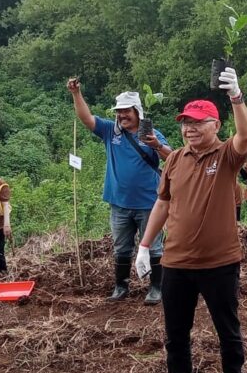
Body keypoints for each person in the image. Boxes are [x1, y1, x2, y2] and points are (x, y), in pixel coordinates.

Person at [138, 67, 247, 373]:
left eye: (198, 122)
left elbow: (245, 137)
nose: (189, 128)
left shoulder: (227, 157)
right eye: (186, 122)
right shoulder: (174, 158)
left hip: (219, 263)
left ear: (215, 126)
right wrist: (145, 245)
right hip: (176, 262)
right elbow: (163, 202)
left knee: (227, 329)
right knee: (176, 331)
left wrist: (236, 96)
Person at [69, 80, 172, 304]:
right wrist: (77, 93)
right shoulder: (110, 131)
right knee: (121, 247)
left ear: (137, 111)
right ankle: (121, 286)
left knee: (154, 246)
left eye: (126, 110)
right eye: (119, 111)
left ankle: (156, 287)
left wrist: (155, 145)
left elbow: (171, 158)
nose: (122, 115)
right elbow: (87, 119)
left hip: (149, 203)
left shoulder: (152, 133)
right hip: (119, 203)